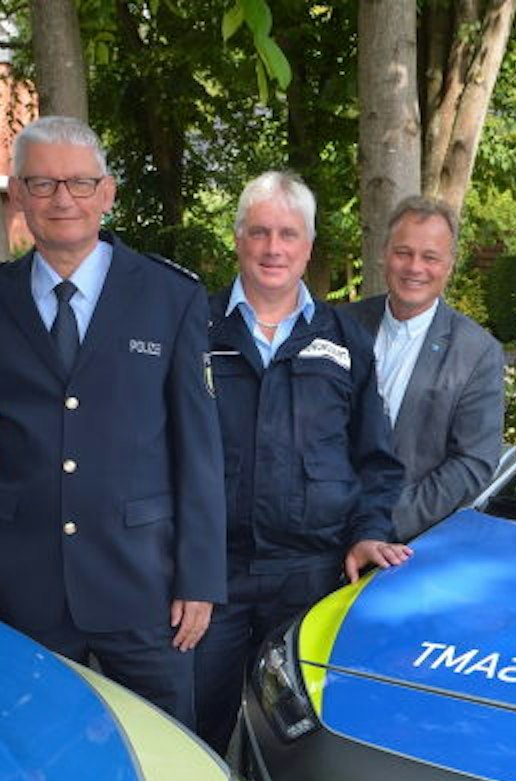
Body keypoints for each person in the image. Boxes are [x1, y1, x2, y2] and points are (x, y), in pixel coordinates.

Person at [0, 116, 224, 727]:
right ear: (18, 194)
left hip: (144, 583)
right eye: (42, 184)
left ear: (107, 192)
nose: (62, 199)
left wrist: (199, 577)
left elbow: (199, 448)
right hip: (25, 583)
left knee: (165, 746)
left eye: (79, 183)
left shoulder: (170, 297)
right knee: (35, 744)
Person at [191, 170, 410, 751]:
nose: (273, 248)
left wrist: (369, 532)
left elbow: (376, 458)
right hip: (213, 577)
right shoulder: (193, 330)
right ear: (238, 239)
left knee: (298, 738)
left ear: (308, 247)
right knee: (197, 727)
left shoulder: (344, 338)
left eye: (288, 234)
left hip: (312, 576)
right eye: (259, 232)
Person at [343, 195, 506, 541]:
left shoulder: (477, 353)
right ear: (385, 254)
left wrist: (380, 526)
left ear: (449, 265)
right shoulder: (339, 326)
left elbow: (472, 463)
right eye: (403, 252)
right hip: (313, 534)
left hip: (399, 546)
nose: (414, 267)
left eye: (430, 257)